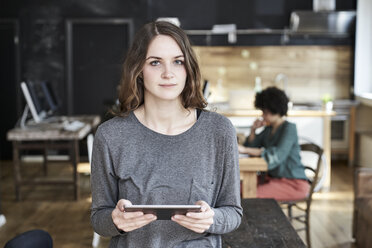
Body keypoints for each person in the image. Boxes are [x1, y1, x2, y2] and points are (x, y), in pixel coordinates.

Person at [90, 21, 242, 248]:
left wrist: (212, 219)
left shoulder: (219, 131)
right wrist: (115, 220)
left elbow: (233, 213)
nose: (168, 73)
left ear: (188, 67)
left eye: (177, 62)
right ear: (139, 70)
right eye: (155, 62)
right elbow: (98, 219)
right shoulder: (111, 136)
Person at [238, 87, 309, 201]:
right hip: (270, 179)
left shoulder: (289, 129)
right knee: (236, 190)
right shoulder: (269, 128)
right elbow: (252, 148)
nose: (263, 115)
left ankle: (257, 218)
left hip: (292, 183)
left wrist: (244, 150)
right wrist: (253, 130)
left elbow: (276, 155)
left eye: (265, 112)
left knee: (250, 194)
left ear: (276, 109)